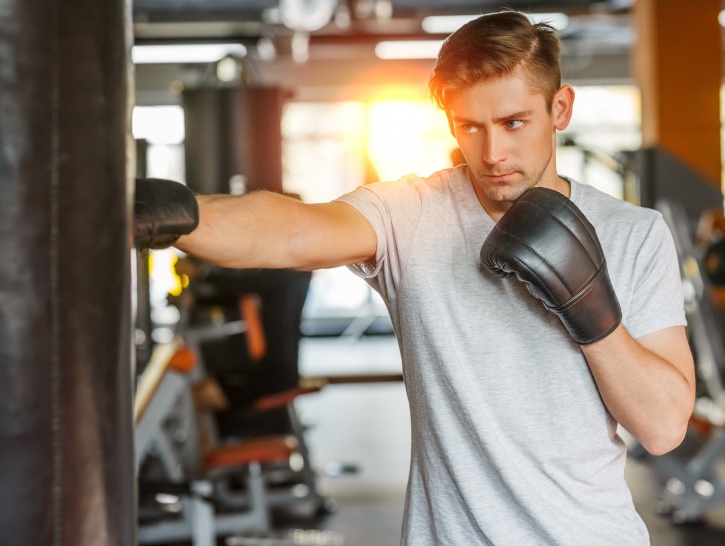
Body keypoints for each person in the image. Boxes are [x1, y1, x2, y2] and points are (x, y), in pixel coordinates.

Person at [176, 10, 695, 545]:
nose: (492, 154)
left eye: (514, 122)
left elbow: (662, 429)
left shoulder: (634, 233)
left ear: (559, 108)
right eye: (470, 126)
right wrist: (169, 214)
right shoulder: (412, 213)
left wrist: (591, 310)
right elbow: (294, 232)